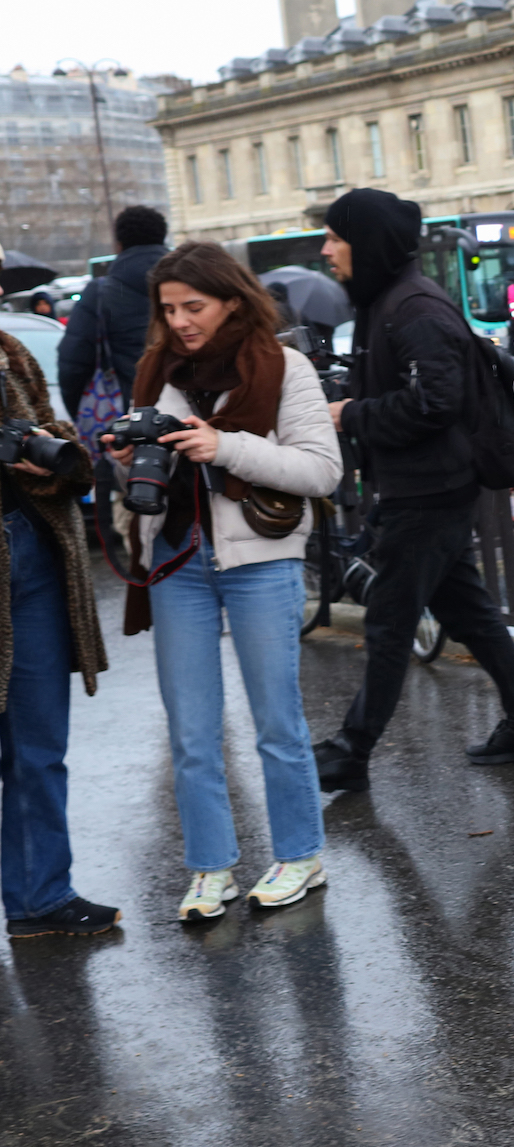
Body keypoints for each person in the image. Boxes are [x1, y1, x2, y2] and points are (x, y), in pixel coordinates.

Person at [105, 243, 342, 918]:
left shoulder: (282, 366)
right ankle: (211, 868)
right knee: (191, 728)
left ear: (232, 301)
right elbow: (147, 478)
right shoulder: (155, 370)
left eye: (194, 306)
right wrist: (127, 460)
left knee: (276, 722)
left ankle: (301, 855)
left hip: (260, 561)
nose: (179, 321)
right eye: (169, 309)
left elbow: (321, 471)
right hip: (178, 560)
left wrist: (223, 445)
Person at [311, 188, 514, 792]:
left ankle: (353, 747)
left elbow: (435, 403)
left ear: (365, 243)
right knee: (470, 615)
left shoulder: (413, 308)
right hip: (424, 485)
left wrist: (352, 415)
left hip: (428, 490)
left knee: (389, 624)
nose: (326, 250)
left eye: (336, 238)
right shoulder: (387, 301)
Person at [0, 316, 116, 937]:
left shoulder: (11, 352)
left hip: (35, 555)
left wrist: (51, 454)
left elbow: (61, 435)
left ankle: (40, 897)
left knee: (39, 746)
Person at [57, 205, 171, 419]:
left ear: (118, 244)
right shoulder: (189, 283)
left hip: (125, 417)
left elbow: (72, 365)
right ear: (162, 238)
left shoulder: (100, 293)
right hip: (193, 413)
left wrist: (82, 414)